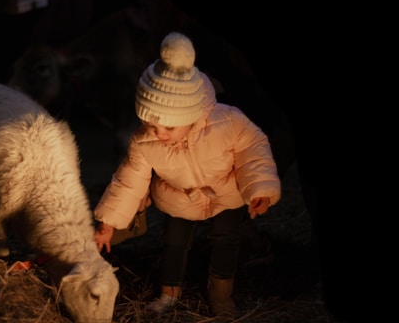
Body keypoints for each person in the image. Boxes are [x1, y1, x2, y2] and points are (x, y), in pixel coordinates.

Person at [93, 32, 281, 317]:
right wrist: (109, 223)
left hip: (226, 192)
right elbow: (128, 180)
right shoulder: (145, 141)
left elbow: (253, 149)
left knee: (226, 239)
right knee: (174, 242)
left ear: (190, 115)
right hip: (178, 197)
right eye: (150, 124)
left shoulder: (228, 121)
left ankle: (221, 295)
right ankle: (169, 293)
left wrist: (260, 189)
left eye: (167, 127)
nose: (158, 133)